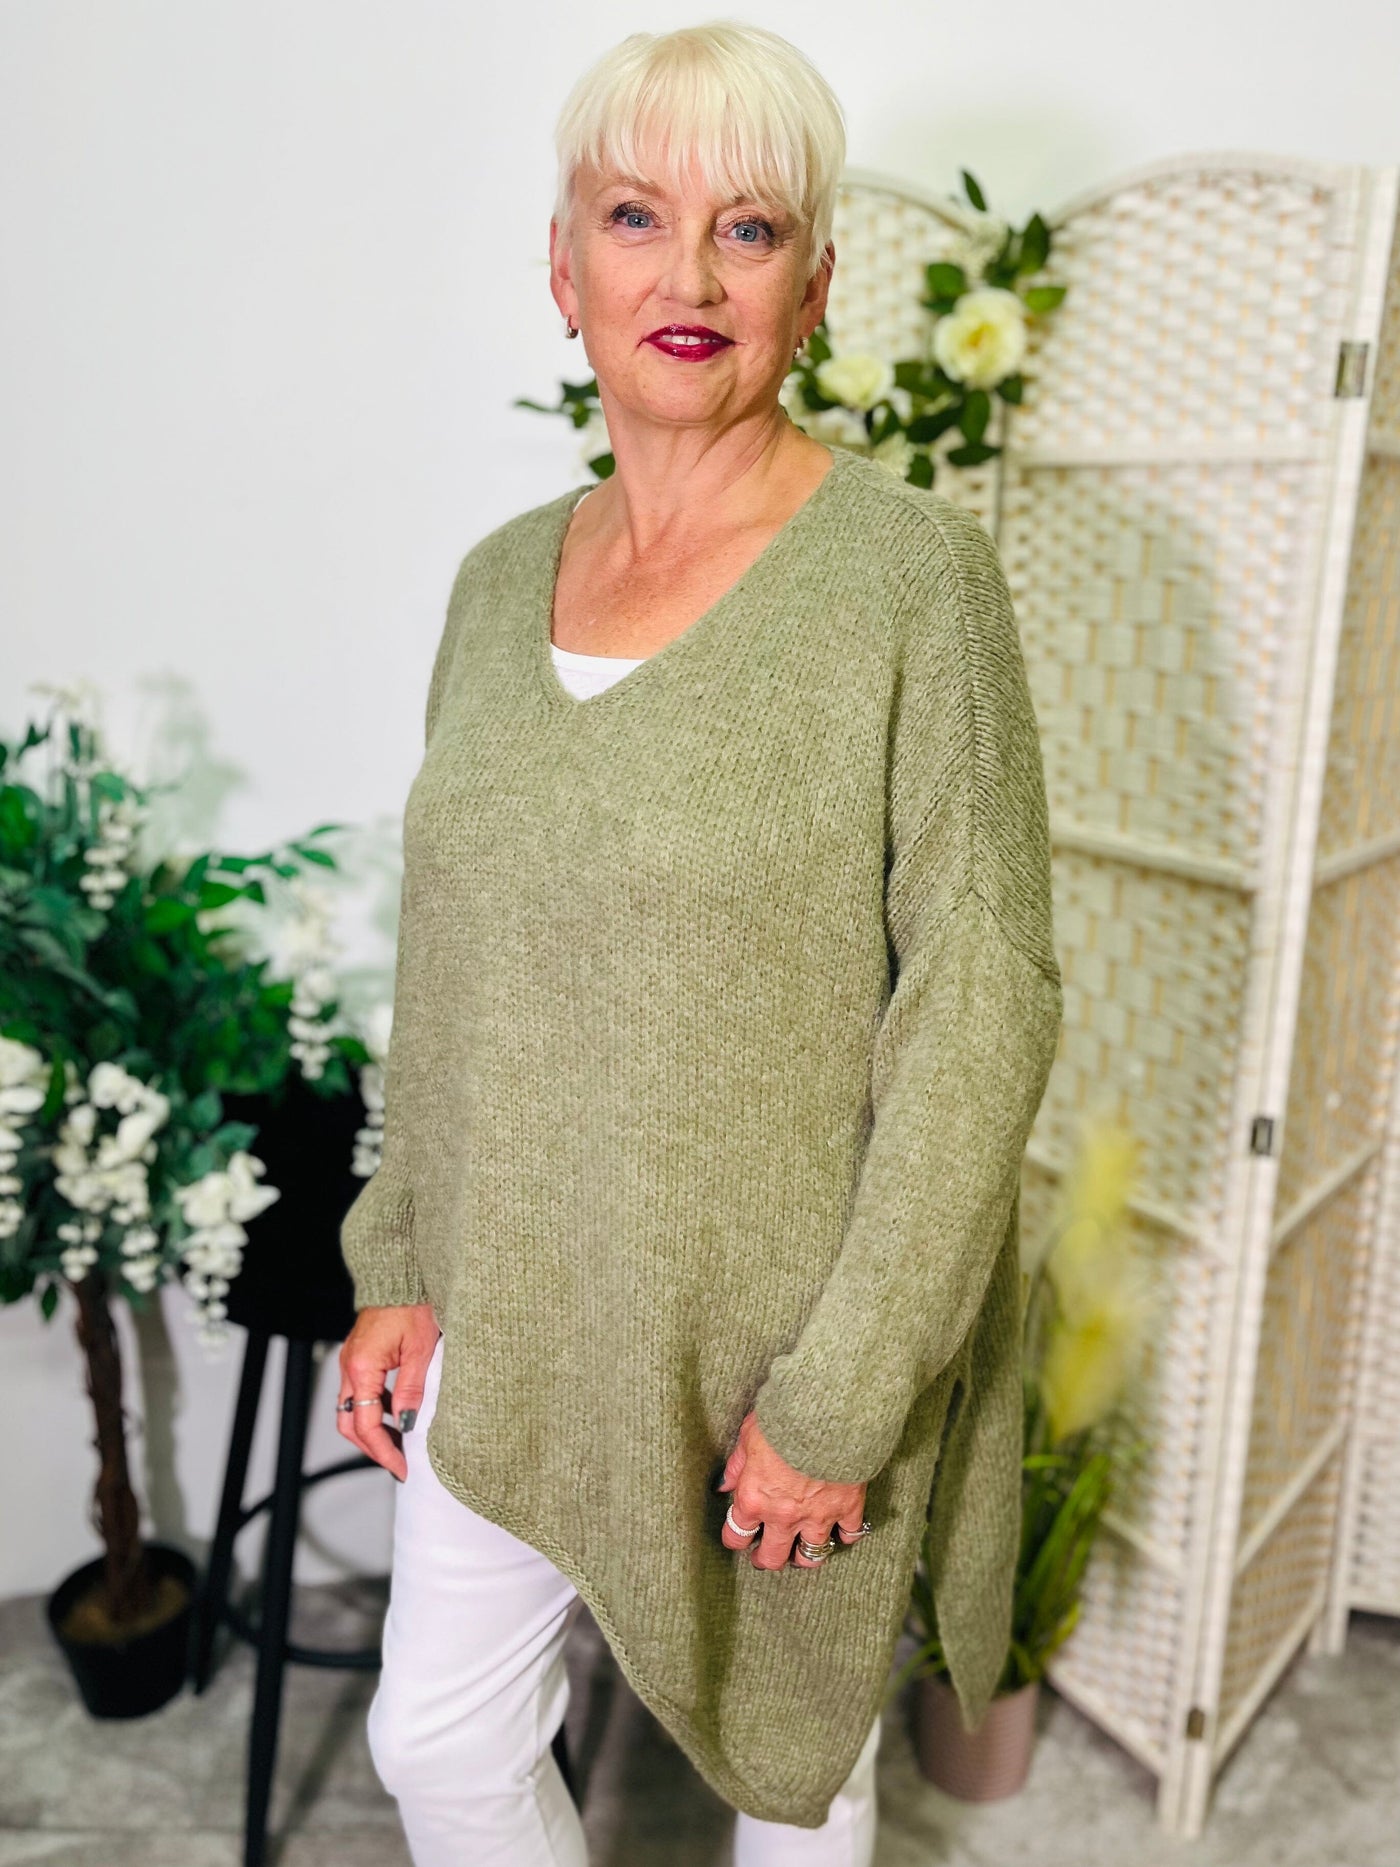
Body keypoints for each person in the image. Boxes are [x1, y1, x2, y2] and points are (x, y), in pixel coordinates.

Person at [336, 21, 1063, 1866]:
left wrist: (845, 1396)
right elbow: (453, 962)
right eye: (636, 216)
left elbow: (980, 1005)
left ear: (812, 289)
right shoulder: (497, 581)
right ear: (561, 267)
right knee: (438, 1745)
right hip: (514, 1295)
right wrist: (399, 1253)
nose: (688, 275)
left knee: (786, 1782)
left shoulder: (913, 581)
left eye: (749, 229)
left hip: (776, 1344)